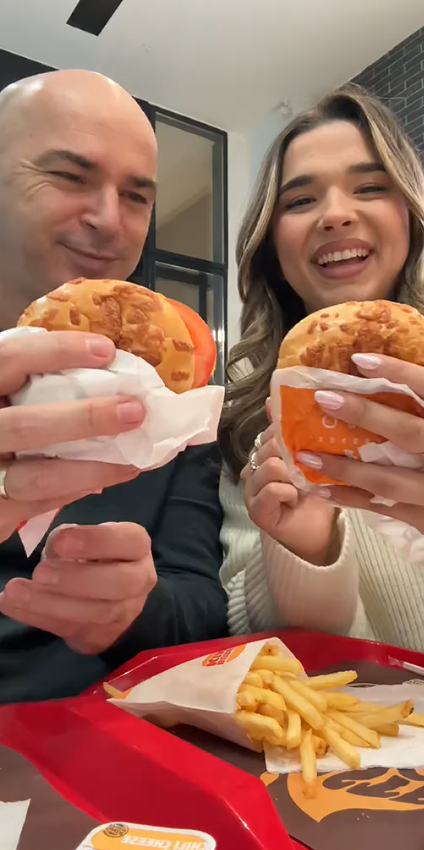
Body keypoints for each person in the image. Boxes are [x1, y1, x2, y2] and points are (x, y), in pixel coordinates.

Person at [219, 83, 424, 664]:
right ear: (271, 244)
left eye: (370, 188)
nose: (335, 214)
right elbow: (273, 652)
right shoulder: (251, 416)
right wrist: (306, 551)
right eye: (301, 200)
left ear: (410, 216)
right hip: (374, 719)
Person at [0, 70, 226, 704]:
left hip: (99, 742)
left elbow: (202, 603)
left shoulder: (177, 399)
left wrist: (135, 607)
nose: (108, 219)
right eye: (70, 177)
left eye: (136, 196)